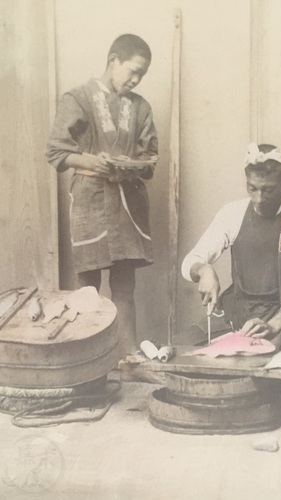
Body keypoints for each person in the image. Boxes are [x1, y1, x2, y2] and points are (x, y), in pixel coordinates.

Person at [46, 34, 159, 356]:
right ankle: (87, 359)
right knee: (88, 287)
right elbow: (55, 151)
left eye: (142, 75)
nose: (136, 80)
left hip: (128, 201)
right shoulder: (78, 98)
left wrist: (133, 165)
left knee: (124, 286)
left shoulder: (141, 107)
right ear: (113, 60)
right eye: (133, 71)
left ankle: (130, 355)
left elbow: (150, 158)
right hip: (91, 200)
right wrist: (92, 160)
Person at [181, 143, 281, 351]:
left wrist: (273, 325)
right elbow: (190, 261)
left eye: (268, 190)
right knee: (181, 346)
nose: (259, 199)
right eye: (253, 188)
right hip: (239, 318)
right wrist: (203, 270)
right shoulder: (233, 213)